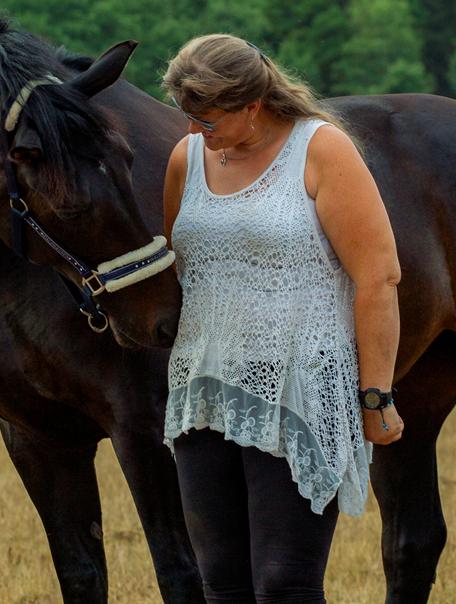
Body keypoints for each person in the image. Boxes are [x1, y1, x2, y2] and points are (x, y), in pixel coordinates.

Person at [160, 34, 404, 603]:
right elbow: (180, 269)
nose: (196, 131)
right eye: (188, 117)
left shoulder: (321, 149)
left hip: (299, 390)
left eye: (208, 119)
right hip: (204, 392)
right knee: (220, 583)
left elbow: (379, 276)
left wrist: (376, 397)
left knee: (284, 584)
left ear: (253, 105)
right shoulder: (186, 158)